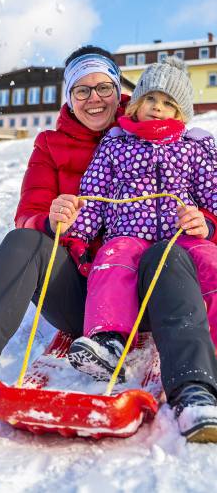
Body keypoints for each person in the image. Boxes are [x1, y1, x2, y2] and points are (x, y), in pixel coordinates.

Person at [0, 48, 215, 442]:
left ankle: (196, 384)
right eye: (81, 91)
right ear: (68, 97)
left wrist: (202, 223)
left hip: (158, 287)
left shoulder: (165, 131)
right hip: (84, 293)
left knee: (164, 253)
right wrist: (51, 220)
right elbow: (29, 214)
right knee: (23, 242)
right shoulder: (50, 145)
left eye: (103, 87)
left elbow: (208, 201)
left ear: (119, 90)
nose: (93, 98)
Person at [62, 56, 217, 441]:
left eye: (168, 103)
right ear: (136, 103)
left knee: (209, 261)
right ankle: (108, 340)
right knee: (114, 260)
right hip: (129, 232)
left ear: (181, 112)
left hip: (183, 238)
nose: (158, 108)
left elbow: (213, 196)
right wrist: (78, 235)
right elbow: (95, 196)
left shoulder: (196, 146)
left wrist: (207, 223)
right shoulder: (116, 144)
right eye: (151, 99)